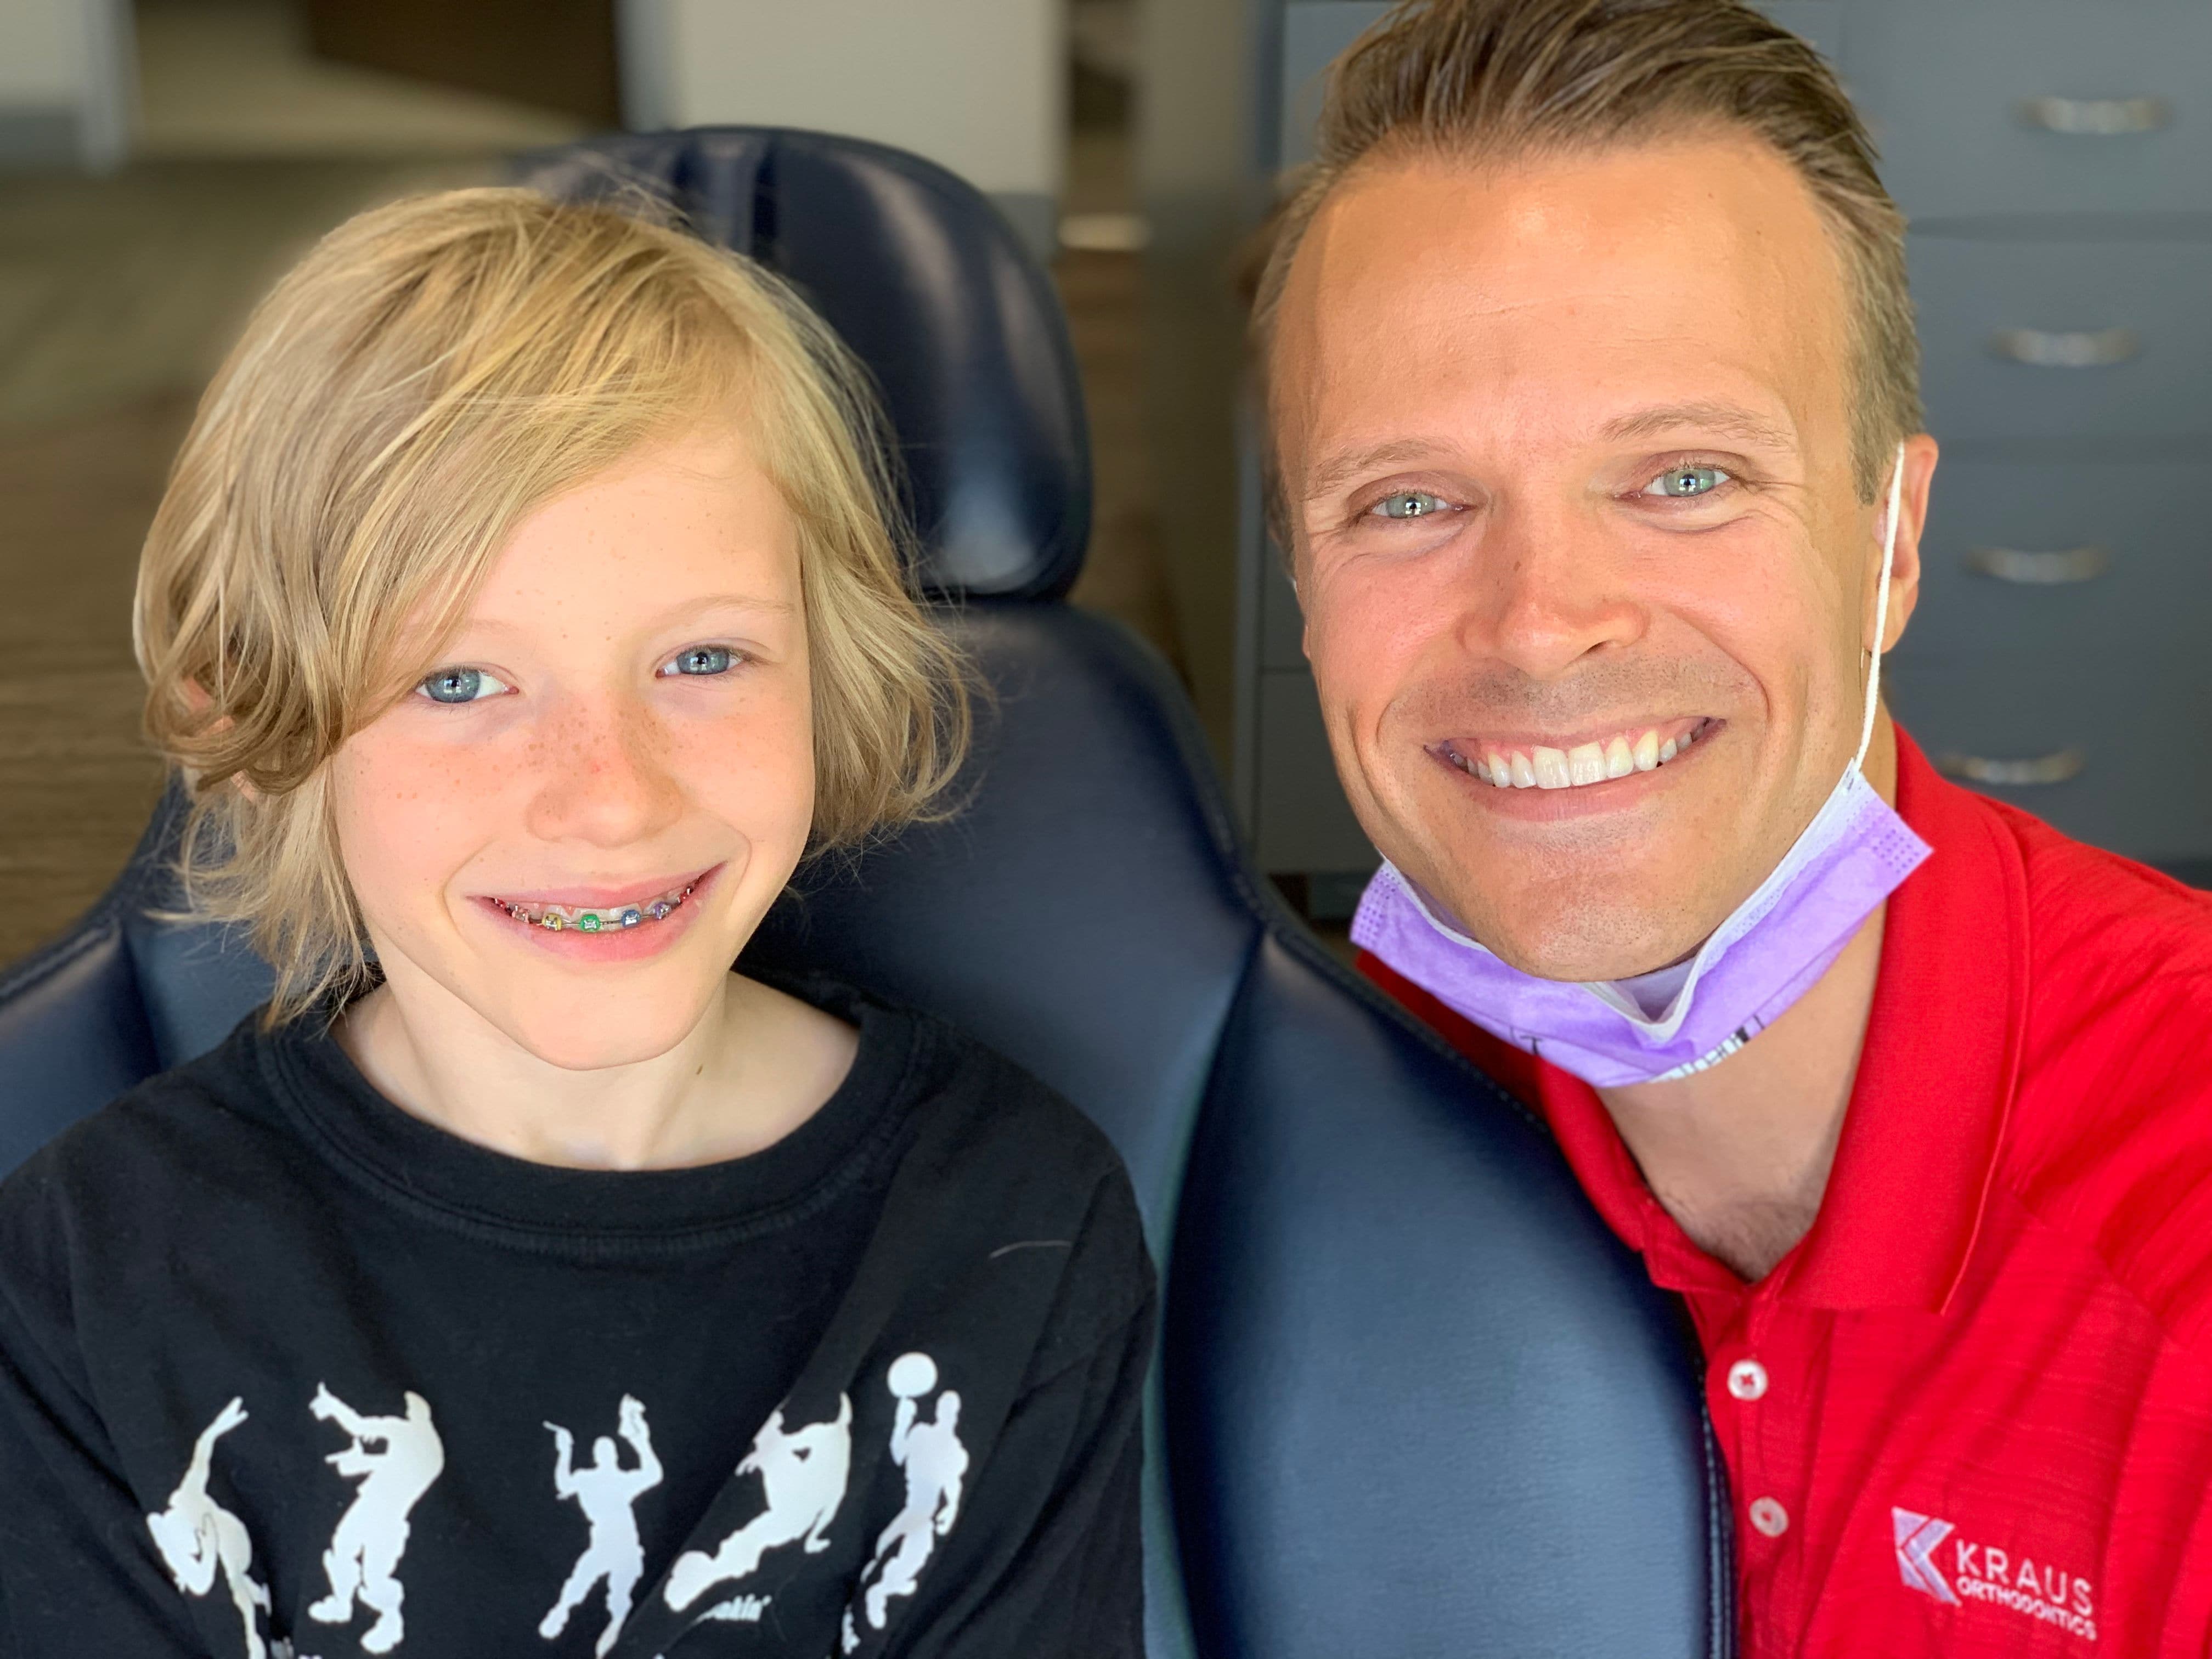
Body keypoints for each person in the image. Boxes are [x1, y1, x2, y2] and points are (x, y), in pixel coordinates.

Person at [0, 188, 1153, 1658]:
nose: (609, 801)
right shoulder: (87, 1283)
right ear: (269, 716)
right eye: (461, 682)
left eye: (702, 656)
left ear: (827, 680)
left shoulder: (1015, 1223)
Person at [1256, 1, 2212, 1653]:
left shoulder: (2177, 1227)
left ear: (1892, 541)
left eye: (1684, 477)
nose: (1541, 624)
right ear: (1303, 586)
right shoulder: (1314, 1134)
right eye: (1407, 501)